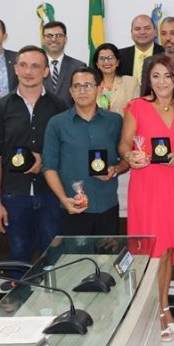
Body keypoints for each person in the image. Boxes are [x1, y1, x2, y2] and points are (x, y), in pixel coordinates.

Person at [119, 55, 174, 342]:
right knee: (152, 253)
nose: (162, 82)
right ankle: (156, 311)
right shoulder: (137, 107)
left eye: (167, 76)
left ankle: (163, 306)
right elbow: (125, 143)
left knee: (167, 253)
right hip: (146, 186)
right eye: (156, 76)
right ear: (148, 80)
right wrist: (129, 156)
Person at [0, 45, 67, 272]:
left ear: (45, 71)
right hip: (14, 196)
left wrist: (47, 159)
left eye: (35, 66)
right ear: (15, 69)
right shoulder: (2, 106)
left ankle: (52, 305)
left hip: (50, 194)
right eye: (23, 65)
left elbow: (67, 150)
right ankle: (20, 305)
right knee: (18, 257)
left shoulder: (59, 106)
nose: (28, 71)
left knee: (52, 258)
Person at [43, 67, 126, 236]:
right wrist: (63, 199)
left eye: (88, 85)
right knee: (77, 261)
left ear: (99, 88)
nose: (82, 91)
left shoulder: (115, 121)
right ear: (70, 92)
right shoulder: (56, 123)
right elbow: (49, 166)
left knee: (108, 260)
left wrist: (116, 169)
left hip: (107, 205)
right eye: (77, 86)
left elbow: (125, 158)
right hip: (72, 206)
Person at [41, 21, 86, 107]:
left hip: (69, 118)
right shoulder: (35, 67)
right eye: (49, 36)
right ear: (43, 40)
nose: (53, 39)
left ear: (65, 39)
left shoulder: (78, 66)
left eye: (58, 35)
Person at [93, 43, 141, 115]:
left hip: (124, 125)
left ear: (117, 62)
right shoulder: (92, 85)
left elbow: (137, 112)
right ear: (97, 64)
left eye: (110, 58)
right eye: (102, 58)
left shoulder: (131, 83)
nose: (106, 62)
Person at [116, 15, 164, 81]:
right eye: (137, 29)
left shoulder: (165, 54)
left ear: (155, 31)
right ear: (131, 32)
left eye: (147, 28)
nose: (142, 32)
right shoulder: (119, 56)